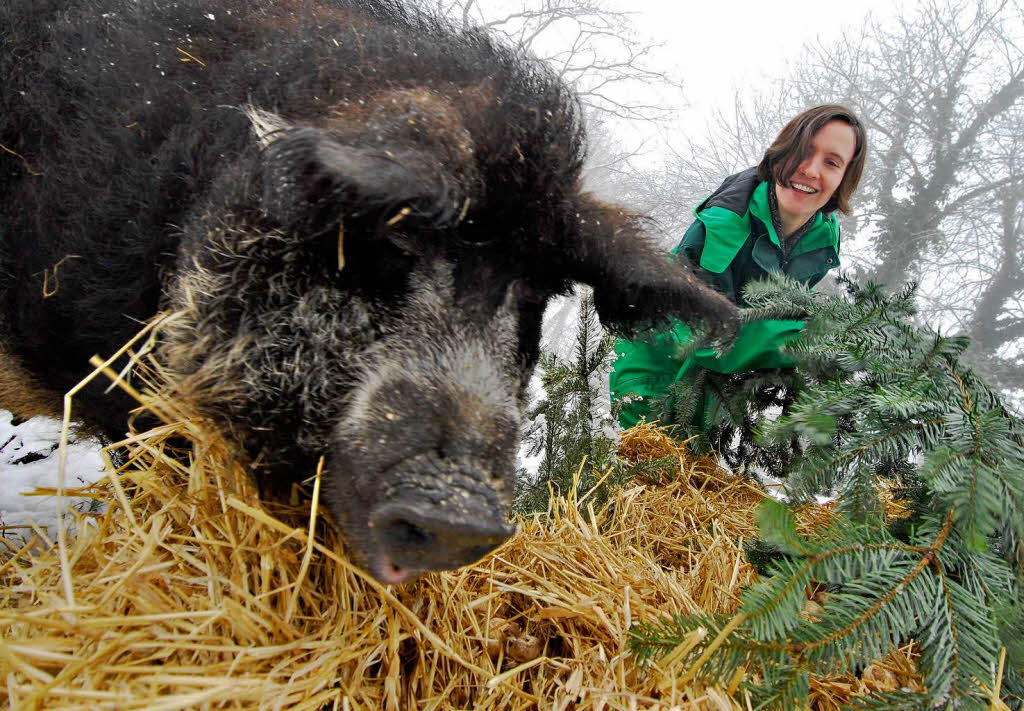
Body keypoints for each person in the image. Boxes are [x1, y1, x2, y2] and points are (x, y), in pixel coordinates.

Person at [610, 104, 868, 429]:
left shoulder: (824, 235)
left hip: (709, 380)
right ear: (781, 152)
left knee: (695, 463)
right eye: (803, 151)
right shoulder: (724, 226)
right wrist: (802, 341)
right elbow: (704, 335)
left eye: (832, 162)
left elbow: (776, 312)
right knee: (643, 462)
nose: (811, 170)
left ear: (844, 178)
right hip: (654, 357)